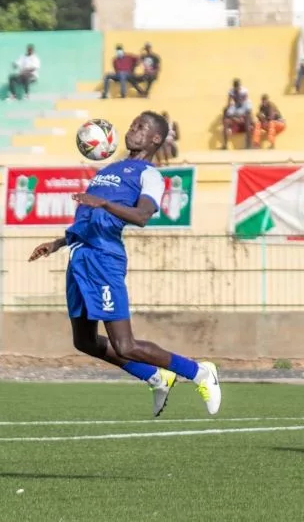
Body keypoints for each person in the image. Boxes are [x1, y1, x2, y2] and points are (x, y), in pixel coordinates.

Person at [28, 111, 222, 418]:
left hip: (104, 259)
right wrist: (57, 243)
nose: (132, 130)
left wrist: (104, 203)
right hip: (79, 256)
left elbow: (143, 216)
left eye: (140, 127)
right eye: (132, 125)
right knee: (84, 341)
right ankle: (155, 376)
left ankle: (199, 372)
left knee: (125, 345)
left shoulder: (150, 174)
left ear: (155, 138)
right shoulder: (108, 169)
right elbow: (89, 218)